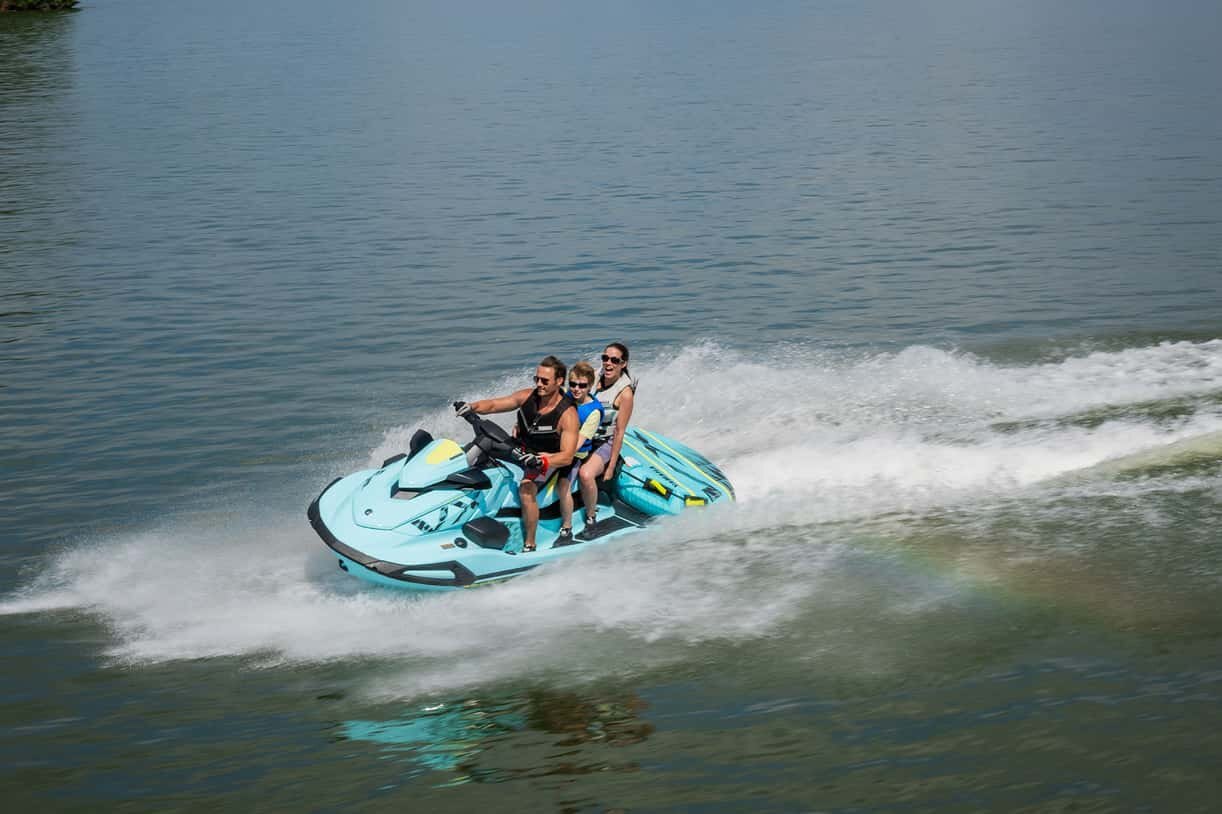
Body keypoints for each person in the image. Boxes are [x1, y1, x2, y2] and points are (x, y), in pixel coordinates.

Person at [455, 356, 579, 553]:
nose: (539, 384)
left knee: (526, 490)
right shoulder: (527, 396)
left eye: (545, 380)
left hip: (546, 459)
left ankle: (530, 543)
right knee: (482, 441)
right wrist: (473, 407)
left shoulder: (568, 414)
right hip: (519, 449)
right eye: (537, 379)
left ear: (559, 381)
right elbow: (495, 405)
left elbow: (567, 456)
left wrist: (541, 459)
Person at [576, 343, 636, 540]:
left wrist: (610, 467)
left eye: (614, 360)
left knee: (585, 474)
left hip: (605, 441)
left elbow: (619, 431)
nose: (608, 363)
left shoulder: (625, 393)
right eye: (605, 358)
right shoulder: (592, 378)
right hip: (582, 435)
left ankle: (591, 517)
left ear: (623, 364)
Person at [556, 361, 604, 544]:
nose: (576, 389)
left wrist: (553, 456)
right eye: (573, 384)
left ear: (590, 386)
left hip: (576, 453)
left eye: (582, 386)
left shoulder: (594, 412)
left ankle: (578, 522)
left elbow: (577, 444)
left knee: (563, 485)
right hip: (559, 447)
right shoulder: (566, 396)